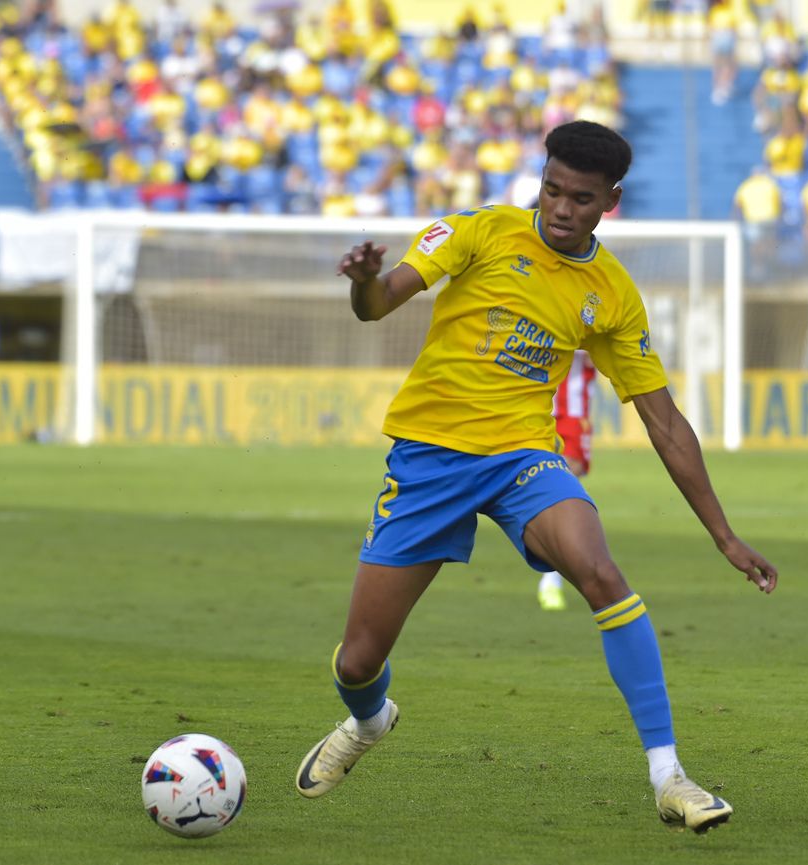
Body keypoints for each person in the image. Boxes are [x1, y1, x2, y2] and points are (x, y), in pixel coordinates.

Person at [295, 120, 777, 832]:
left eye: (579, 198)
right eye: (550, 189)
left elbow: (665, 422)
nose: (559, 208)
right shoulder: (477, 232)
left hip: (522, 459)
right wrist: (364, 280)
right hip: (428, 460)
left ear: (609, 200)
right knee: (358, 660)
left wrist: (724, 535)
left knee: (602, 572)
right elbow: (379, 304)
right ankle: (369, 720)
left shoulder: (611, 292)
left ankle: (670, 774)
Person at [537, 350, 595, 611]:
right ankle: (551, 574)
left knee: (565, 491)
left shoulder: (592, 312)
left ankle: (552, 578)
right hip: (537, 409)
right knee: (545, 491)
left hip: (572, 414)